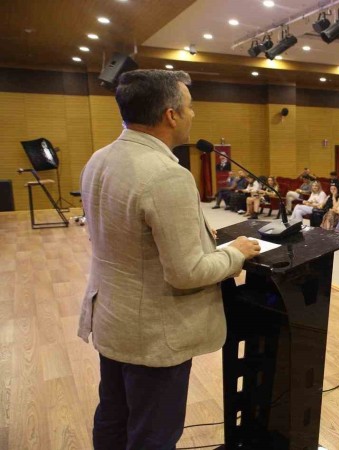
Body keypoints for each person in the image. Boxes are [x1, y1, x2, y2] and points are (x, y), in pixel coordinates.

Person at [78, 69, 260, 449]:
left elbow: (121, 233)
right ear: (171, 115)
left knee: (114, 417)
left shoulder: (99, 158)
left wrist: (194, 237)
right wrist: (235, 253)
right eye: (189, 107)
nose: (193, 114)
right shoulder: (166, 174)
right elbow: (186, 272)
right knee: (153, 435)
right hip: (152, 332)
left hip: (112, 316)